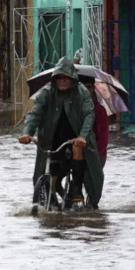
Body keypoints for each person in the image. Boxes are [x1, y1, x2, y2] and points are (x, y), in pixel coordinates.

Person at [19, 57, 104, 208]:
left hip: (76, 140)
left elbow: (88, 115)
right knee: (49, 171)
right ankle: (52, 199)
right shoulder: (46, 93)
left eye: (66, 77)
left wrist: (82, 137)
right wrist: (27, 133)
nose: (62, 81)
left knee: (81, 153)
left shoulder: (82, 93)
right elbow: (35, 114)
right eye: (59, 78)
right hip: (52, 140)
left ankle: (76, 189)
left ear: (72, 78)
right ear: (54, 79)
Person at [80, 77, 109, 165]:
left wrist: (95, 153)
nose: (85, 90)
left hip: (95, 154)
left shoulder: (99, 110)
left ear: (93, 88)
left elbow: (103, 138)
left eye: (88, 87)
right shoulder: (71, 108)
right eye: (81, 87)